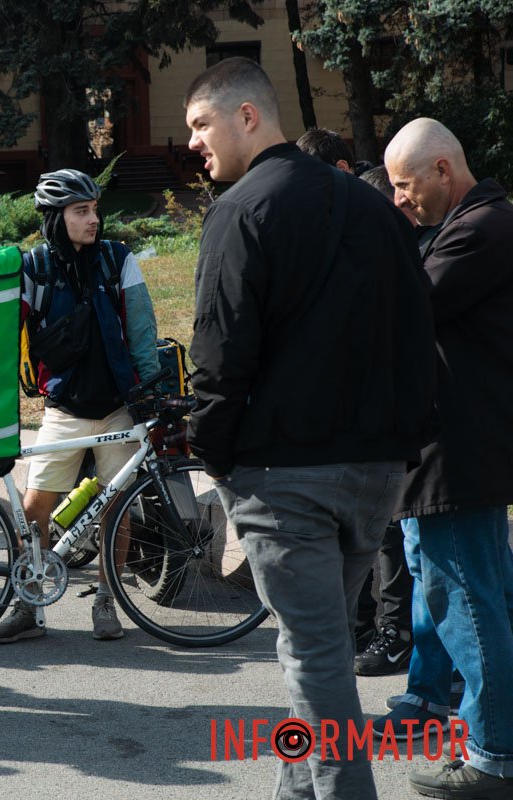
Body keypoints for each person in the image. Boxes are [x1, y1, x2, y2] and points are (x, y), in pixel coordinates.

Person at [184, 58, 436, 800]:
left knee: (317, 657)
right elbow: (420, 330)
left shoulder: (239, 211)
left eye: (202, 124)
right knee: (312, 649)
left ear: (249, 117)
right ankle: (300, 789)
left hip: (284, 473)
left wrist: (215, 457)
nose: (194, 142)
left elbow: (219, 353)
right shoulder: (373, 210)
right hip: (375, 471)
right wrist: (404, 438)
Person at [380, 117, 513, 799]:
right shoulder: (475, 224)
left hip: (459, 453)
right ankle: (487, 736)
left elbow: (410, 306)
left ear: (443, 170)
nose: (401, 200)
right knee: (472, 596)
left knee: (467, 602)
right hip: (462, 449)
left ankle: (493, 756)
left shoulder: (480, 227)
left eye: (406, 186)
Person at [0, 168, 161, 644]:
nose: (94, 220)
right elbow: (3, 334)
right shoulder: (35, 267)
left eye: (95, 210)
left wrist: (147, 392)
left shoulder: (116, 259)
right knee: (36, 503)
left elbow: (141, 327)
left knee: (115, 505)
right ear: (55, 218)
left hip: (118, 407)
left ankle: (107, 599)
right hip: (63, 408)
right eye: (81, 211)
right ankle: (28, 604)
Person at [297, 141, 415, 675]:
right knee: (380, 538)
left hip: (388, 434)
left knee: (391, 538)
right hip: (365, 428)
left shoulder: (374, 213)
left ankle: (394, 634)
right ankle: (369, 627)